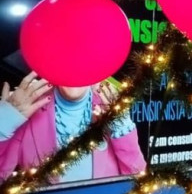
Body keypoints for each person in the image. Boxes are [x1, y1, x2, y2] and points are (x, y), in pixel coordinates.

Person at [0, 72, 146, 183]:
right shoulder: (27, 108)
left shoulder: (109, 106)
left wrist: (121, 128)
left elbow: (137, 184)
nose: (75, 69)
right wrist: (4, 122)